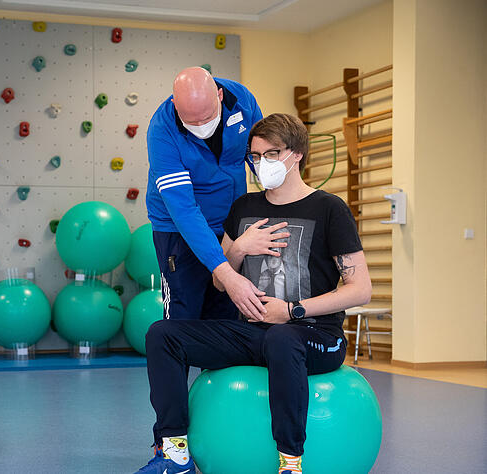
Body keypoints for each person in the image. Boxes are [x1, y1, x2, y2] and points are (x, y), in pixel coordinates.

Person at [137, 113, 372, 474]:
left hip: (315, 335)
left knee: (281, 338)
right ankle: (174, 451)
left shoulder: (329, 209)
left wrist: (292, 311)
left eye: (272, 154)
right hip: (253, 333)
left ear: (296, 155)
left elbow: (360, 289)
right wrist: (239, 248)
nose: (262, 164)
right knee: (163, 334)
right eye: (255, 156)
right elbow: (219, 282)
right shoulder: (244, 208)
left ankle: (290, 463)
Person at [146, 66, 267, 323]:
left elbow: (261, 157)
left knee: (225, 313)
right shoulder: (161, 130)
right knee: (183, 314)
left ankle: (219, 364)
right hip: (178, 227)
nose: (202, 126)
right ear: (174, 105)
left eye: (207, 117)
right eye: (192, 121)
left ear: (220, 96)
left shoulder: (242, 101)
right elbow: (184, 210)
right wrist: (225, 272)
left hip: (229, 220)